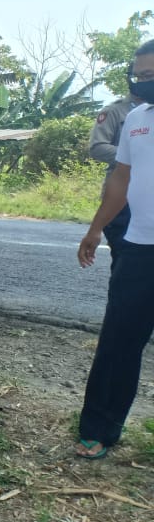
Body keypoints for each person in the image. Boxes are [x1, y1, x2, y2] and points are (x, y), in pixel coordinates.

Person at [75, 40, 154, 460]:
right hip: (140, 247)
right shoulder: (136, 120)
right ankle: (99, 429)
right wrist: (95, 230)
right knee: (118, 343)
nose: (144, 83)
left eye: (151, 75)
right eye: (140, 76)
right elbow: (119, 182)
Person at [88, 75, 146, 266]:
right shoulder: (115, 111)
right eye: (139, 76)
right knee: (125, 261)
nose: (144, 81)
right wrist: (132, 154)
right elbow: (97, 147)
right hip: (122, 196)